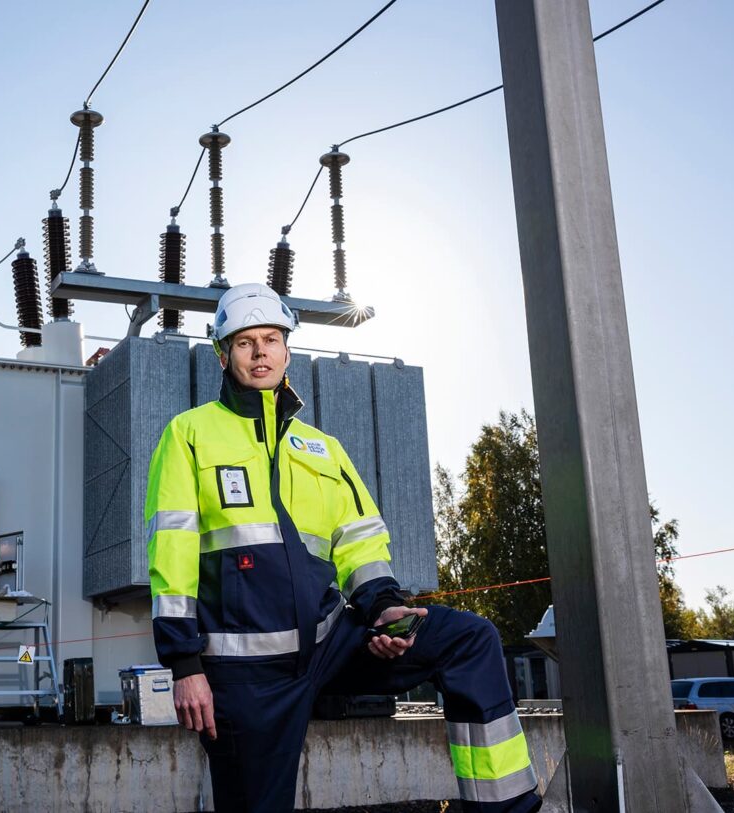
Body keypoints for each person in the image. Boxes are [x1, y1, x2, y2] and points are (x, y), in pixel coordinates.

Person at [146, 283, 541, 812]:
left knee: (468, 639)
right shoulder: (189, 435)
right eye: (245, 342)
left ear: (287, 351)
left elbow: (359, 544)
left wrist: (384, 610)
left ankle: (506, 808)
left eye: (270, 339)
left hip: (331, 642)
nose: (260, 352)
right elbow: (171, 554)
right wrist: (184, 664)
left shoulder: (323, 449)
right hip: (245, 675)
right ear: (223, 354)